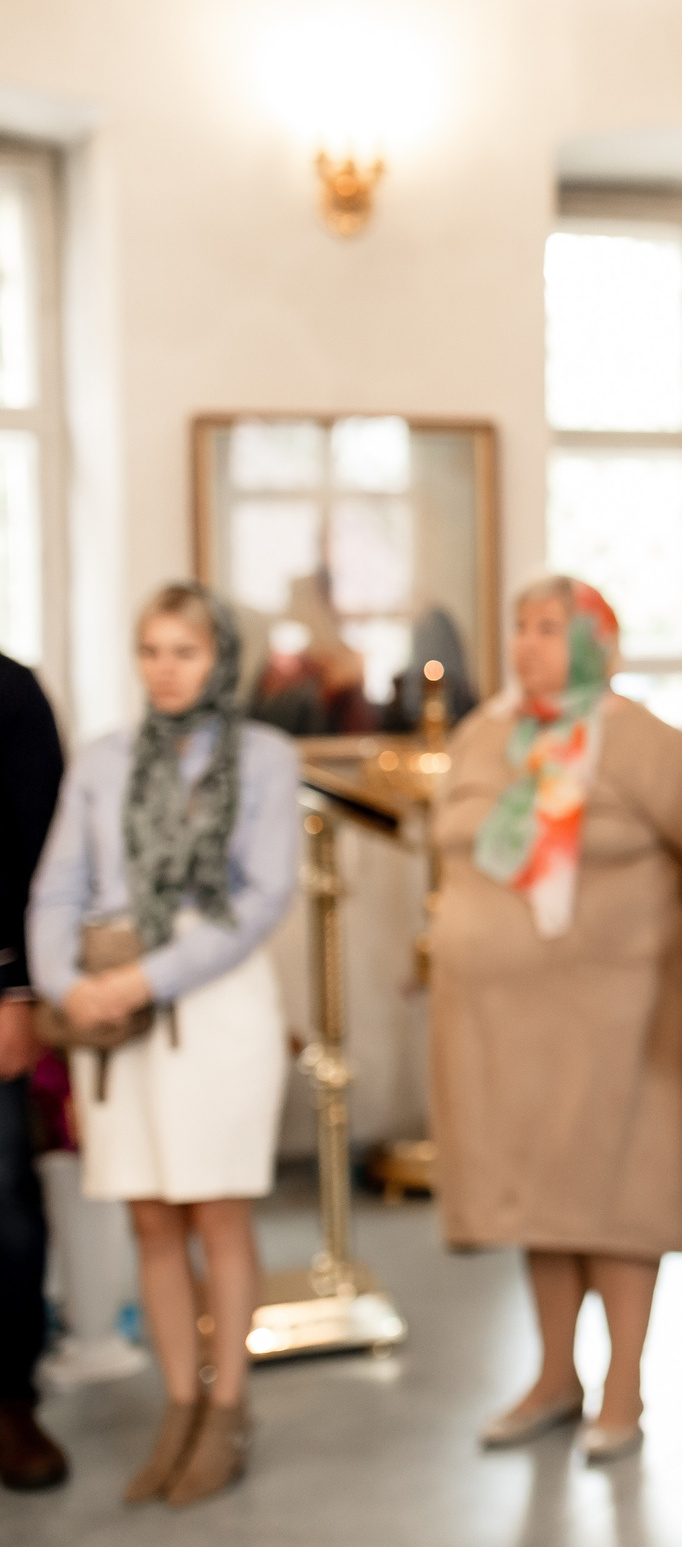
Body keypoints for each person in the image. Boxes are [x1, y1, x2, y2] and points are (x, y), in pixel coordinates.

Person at [429, 576, 682, 1463]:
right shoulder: (483, 734)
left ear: (599, 642)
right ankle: (554, 1373)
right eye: (521, 627)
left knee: (617, 1201)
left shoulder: (641, 743)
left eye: (551, 628)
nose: (529, 643)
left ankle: (623, 1388)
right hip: (502, 1030)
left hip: (621, 1020)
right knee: (543, 1202)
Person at [27, 584, 302, 1507]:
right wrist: (68, 988)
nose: (166, 668)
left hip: (213, 1007)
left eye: (185, 650)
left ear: (220, 656)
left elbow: (260, 897)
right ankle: (178, 1404)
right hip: (113, 1016)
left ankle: (229, 1407)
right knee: (149, 1215)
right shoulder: (104, 759)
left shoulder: (262, 756)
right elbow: (59, 885)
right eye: (151, 649)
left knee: (215, 1211)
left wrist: (144, 979)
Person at [0, 652, 67, 1493]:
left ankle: (10, 1398)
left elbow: (35, 853)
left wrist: (16, 990)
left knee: (3, 1200)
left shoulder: (11, 693)